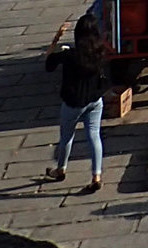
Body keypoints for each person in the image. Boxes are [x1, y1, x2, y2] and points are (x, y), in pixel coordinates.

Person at [43, 14, 110, 193]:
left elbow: (48, 63)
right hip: (95, 100)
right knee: (94, 136)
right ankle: (96, 175)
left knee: (66, 137)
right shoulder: (101, 51)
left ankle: (61, 169)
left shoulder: (70, 55)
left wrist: (56, 38)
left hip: (74, 103)